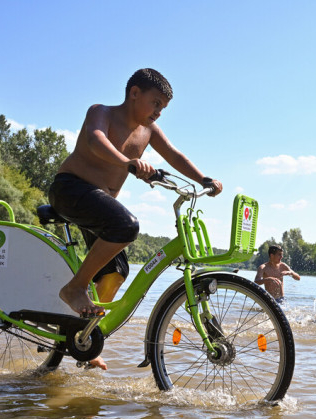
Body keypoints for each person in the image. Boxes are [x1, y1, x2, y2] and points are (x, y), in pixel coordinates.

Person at [48, 68, 223, 369]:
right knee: (126, 226)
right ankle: (75, 288)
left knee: (117, 271)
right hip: (70, 189)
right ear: (134, 93)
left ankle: (86, 337)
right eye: (155, 103)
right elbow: (95, 140)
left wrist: (204, 179)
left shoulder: (149, 131)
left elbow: (174, 156)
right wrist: (128, 162)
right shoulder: (101, 112)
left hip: (100, 205)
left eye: (163, 108)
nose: (158, 112)